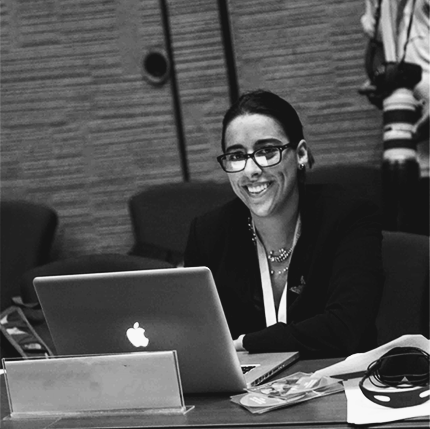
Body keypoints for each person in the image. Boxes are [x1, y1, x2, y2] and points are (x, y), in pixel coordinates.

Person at [184, 89, 384, 359]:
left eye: (267, 151)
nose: (251, 170)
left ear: (301, 154)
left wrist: (247, 342)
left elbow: (346, 327)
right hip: (246, 385)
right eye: (237, 156)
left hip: (334, 380)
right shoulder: (208, 234)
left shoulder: (348, 216)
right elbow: (196, 337)